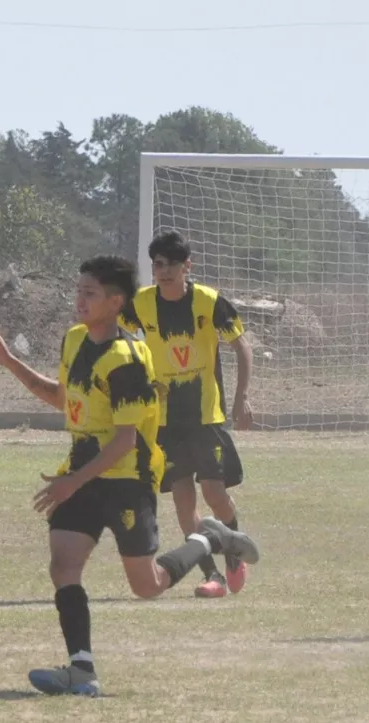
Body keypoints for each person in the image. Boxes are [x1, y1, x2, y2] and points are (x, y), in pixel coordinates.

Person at [0, 254, 260, 697]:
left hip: (127, 479)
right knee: (63, 566)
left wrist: (72, 481)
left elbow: (125, 441)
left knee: (147, 587)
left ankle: (209, 538)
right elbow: (62, 399)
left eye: (90, 292)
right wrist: (8, 360)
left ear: (115, 301)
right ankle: (81, 669)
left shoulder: (124, 358)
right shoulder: (74, 341)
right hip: (84, 472)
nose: (80, 299)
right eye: (79, 289)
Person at [119, 230, 255, 599]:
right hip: (163, 419)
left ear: (187, 267)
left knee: (215, 493)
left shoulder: (209, 302)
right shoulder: (141, 304)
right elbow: (119, 334)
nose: (163, 271)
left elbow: (242, 348)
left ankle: (233, 553)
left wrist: (242, 397)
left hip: (206, 415)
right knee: (182, 498)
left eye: (171, 265)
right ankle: (214, 576)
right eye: (157, 265)